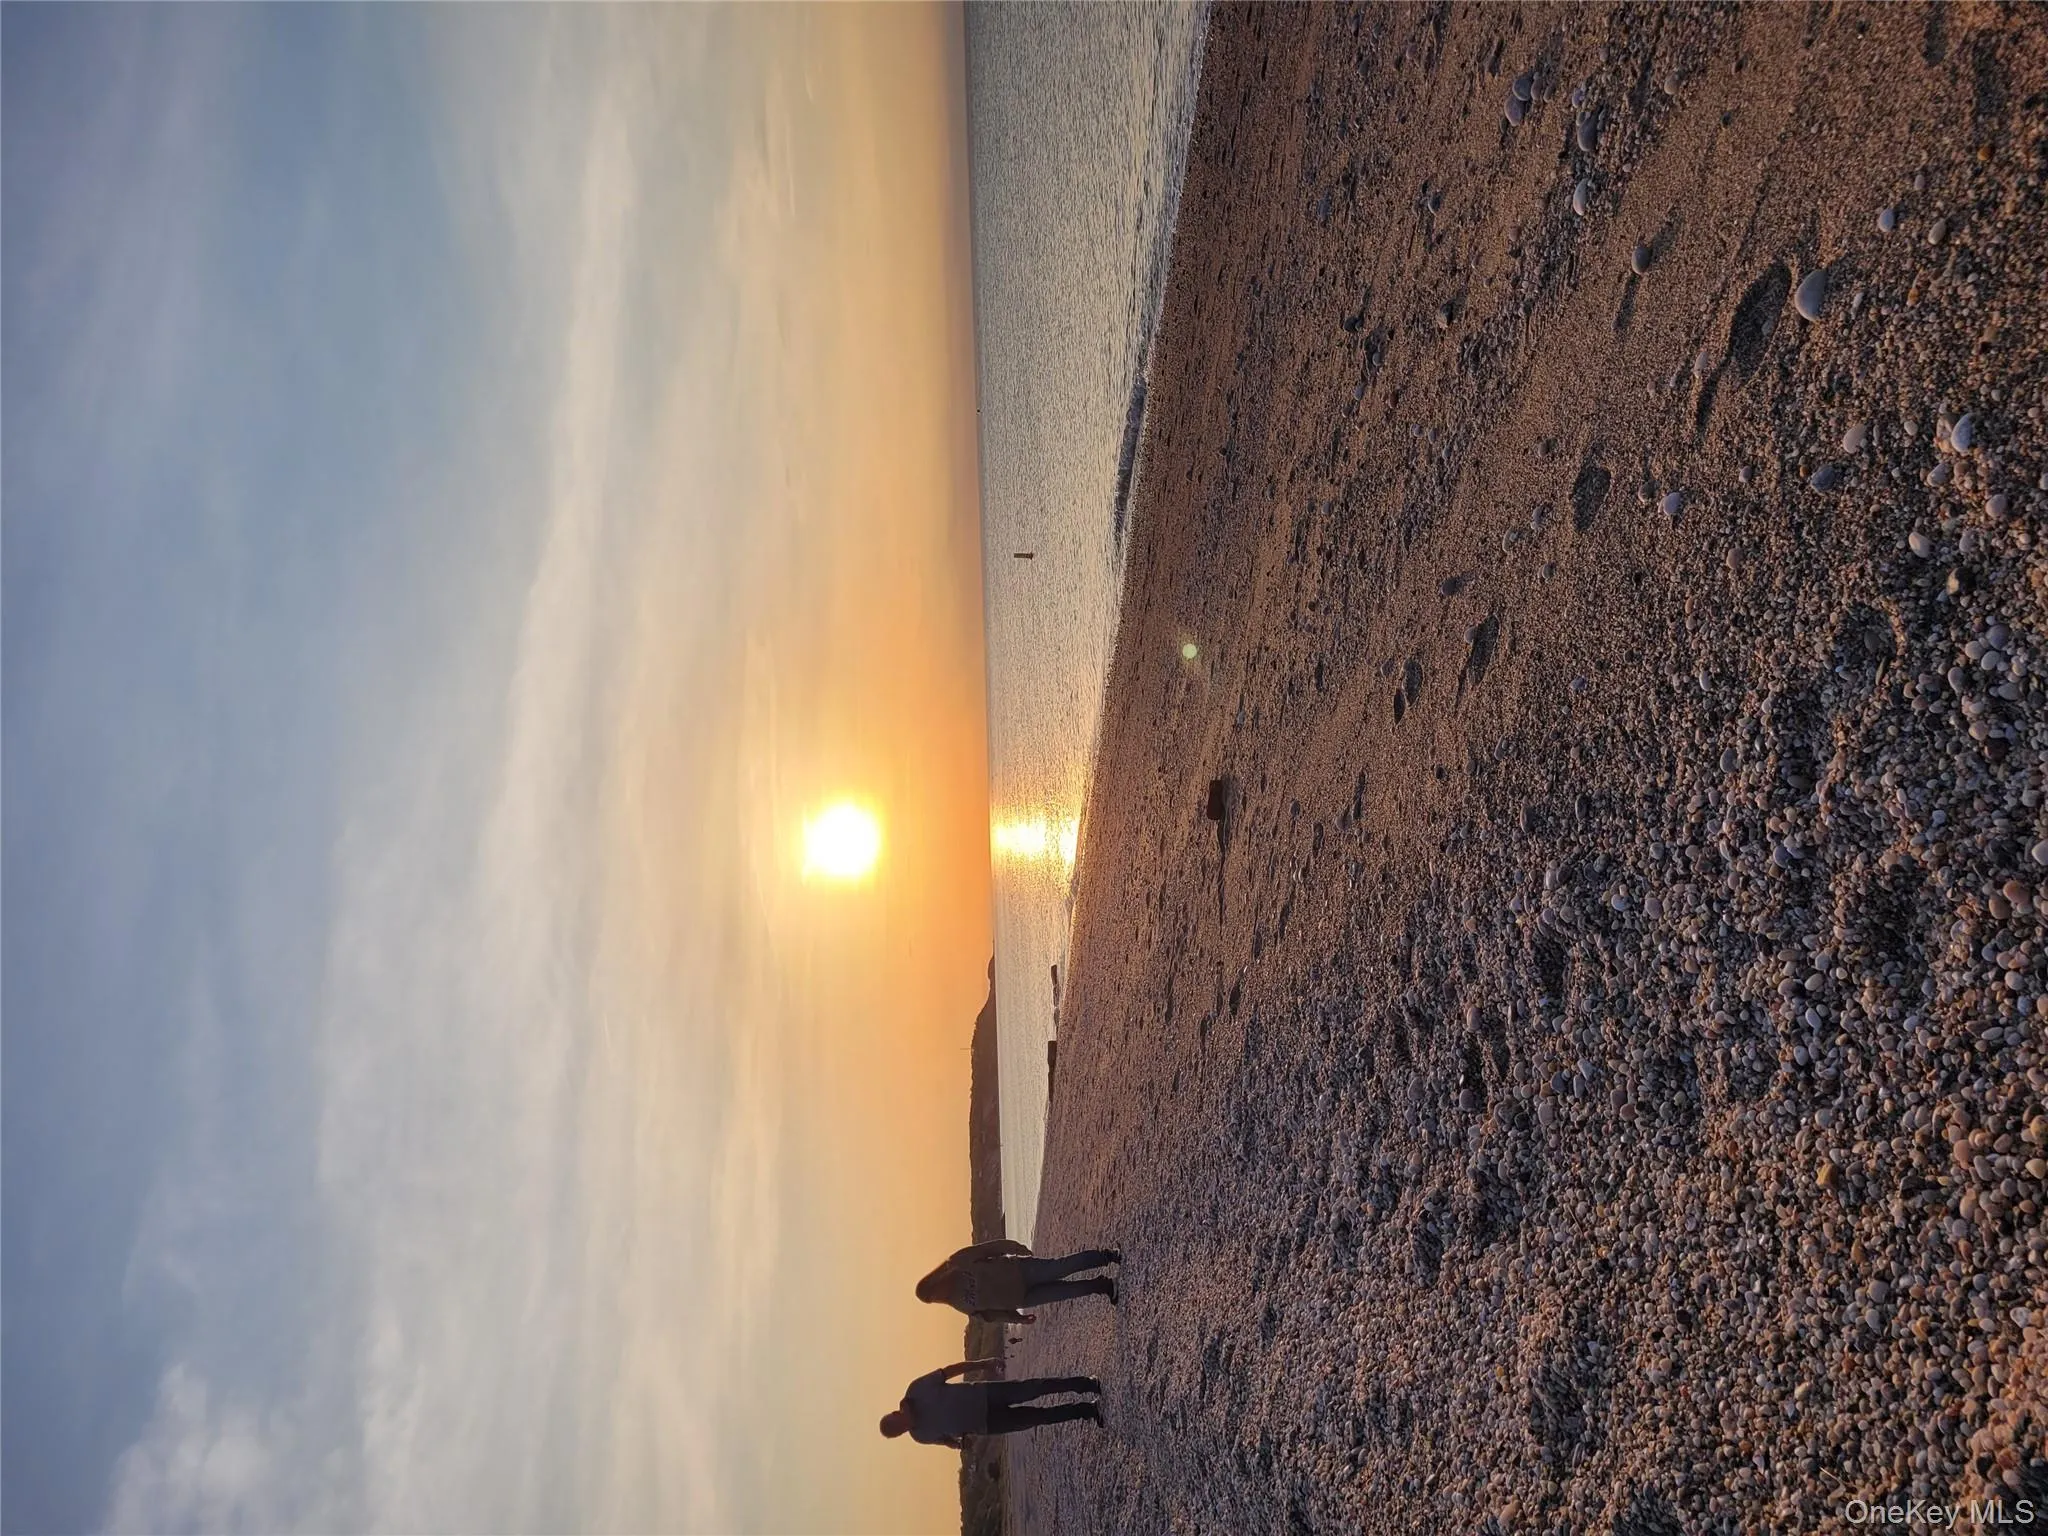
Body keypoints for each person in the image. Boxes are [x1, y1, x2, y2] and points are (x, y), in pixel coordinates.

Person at [879, 1359, 1102, 1447]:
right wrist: (959, 1445)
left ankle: (1086, 1384)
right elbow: (947, 1441)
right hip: (988, 1425)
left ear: (896, 1413)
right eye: (900, 1432)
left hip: (987, 1393)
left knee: (1037, 1387)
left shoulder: (915, 1390)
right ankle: (1088, 1410)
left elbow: (949, 1371)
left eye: (898, 1424)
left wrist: (983, 1364)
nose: (904, 1428)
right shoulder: (920, 1436)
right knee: (1040, 1417)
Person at [914, 1240, 1121, 1324]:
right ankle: (1103, 1285)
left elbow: (990, 1249)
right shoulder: (959, 1305)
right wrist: (1018, 1320)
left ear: (935, 1282)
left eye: (933, 1295)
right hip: (1022, 1298)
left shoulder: (957, 1262)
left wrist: (1015, 1247)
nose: (938, 1299)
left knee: (1062, 1267)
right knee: (1066, 1292)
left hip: (1021, 1271)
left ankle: (1107, 1256)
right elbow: (992, 1315)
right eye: (933, 1301)